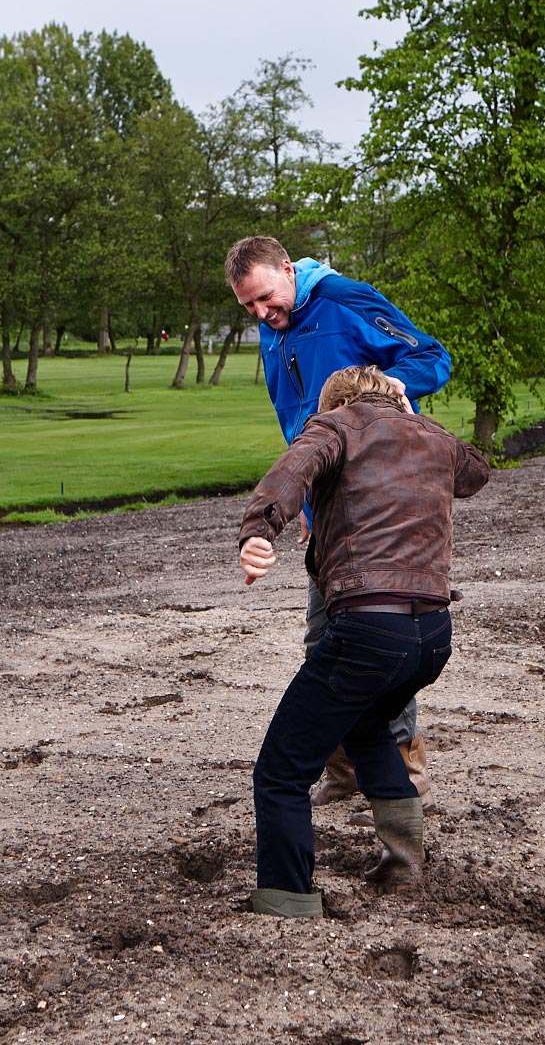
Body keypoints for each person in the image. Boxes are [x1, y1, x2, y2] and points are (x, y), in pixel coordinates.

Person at [238, 365, 490, 917]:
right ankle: (402, 865)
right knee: (367, 728)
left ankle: (286, 900)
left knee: (281, 770)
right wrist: (413, 417)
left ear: (335, 404)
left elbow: (291, 473)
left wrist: (258, 532)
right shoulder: (433, 437)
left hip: (369, 629)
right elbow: (476, 472)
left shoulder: (336, 426)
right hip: (432, 636)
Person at [225, 235, 452, 809]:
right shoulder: (274, 328)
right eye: (249, 306)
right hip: (326, 507)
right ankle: (348, 767)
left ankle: (404, 770)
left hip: (380, 502)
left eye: (267, 298)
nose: (261, 313)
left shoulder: (344, 300)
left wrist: (398, 385)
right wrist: (307, 503)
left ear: (287, 269)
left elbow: (432, 356)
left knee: (378, 630)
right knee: (325, 641)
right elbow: (301, 426)